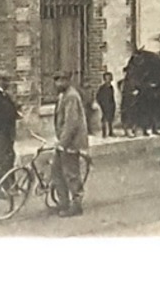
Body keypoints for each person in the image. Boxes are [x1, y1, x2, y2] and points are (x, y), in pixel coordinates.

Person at [51, 73, 89, 217]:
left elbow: (71, 123)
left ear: (68, 81)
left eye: (61, 80)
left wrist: (62, 143)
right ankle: (63, 202)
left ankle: (76, 204)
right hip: (64, 141)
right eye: (56, 80)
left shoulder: (71, 96)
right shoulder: (63, 95)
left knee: (71, 173)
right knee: (56, 172)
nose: (58, 83)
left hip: (71, 143)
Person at [94, 71, 116, 139]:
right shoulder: (102, 88)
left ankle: (110, 132)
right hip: (104, 105)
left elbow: (112, 96)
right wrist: (101, 103)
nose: (108, 80)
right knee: (104, 119)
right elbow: (98, 96)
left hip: (111, 104)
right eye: (106, 78)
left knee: (110, 119)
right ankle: (104, 133)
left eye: (109, 78)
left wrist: (113, 104)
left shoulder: (111, 87)